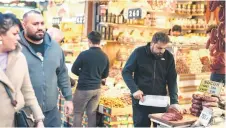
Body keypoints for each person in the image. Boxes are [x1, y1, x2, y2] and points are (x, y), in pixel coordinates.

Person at [19, 10, 73, 127]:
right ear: (24, 25)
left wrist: (68, 98)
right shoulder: (16, 48)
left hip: (51, 113)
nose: (40, 27)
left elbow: (62, 73)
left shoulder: (54, 47)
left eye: (42, 23)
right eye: (35, 24)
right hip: (25, 114)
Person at [122, 32, 180, 127]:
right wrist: (134, 89)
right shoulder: (139, 52)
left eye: (164, 48)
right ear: (152, 43)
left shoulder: (168, 57)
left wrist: (174, 101)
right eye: (159, 48)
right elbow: (126, 72)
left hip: (160, 101)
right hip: (141, 100)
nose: (162, 51)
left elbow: (172, 80)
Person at [0, 13, 44, 127]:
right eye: (14, 34)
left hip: (13, 122)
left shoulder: (20, 58)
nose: (18, 37)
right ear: (1, 35)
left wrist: (39, 119)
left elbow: (27, 91)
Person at [71, 31, 109, 127]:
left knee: (78, 113)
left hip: (83, 88)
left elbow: (74, 69)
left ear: (89, 41)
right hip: (97, 89)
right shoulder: (105, 56)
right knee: (91, 114)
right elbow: (105, 75)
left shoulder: (84, 54)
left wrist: (83, 75)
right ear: (100, 41)